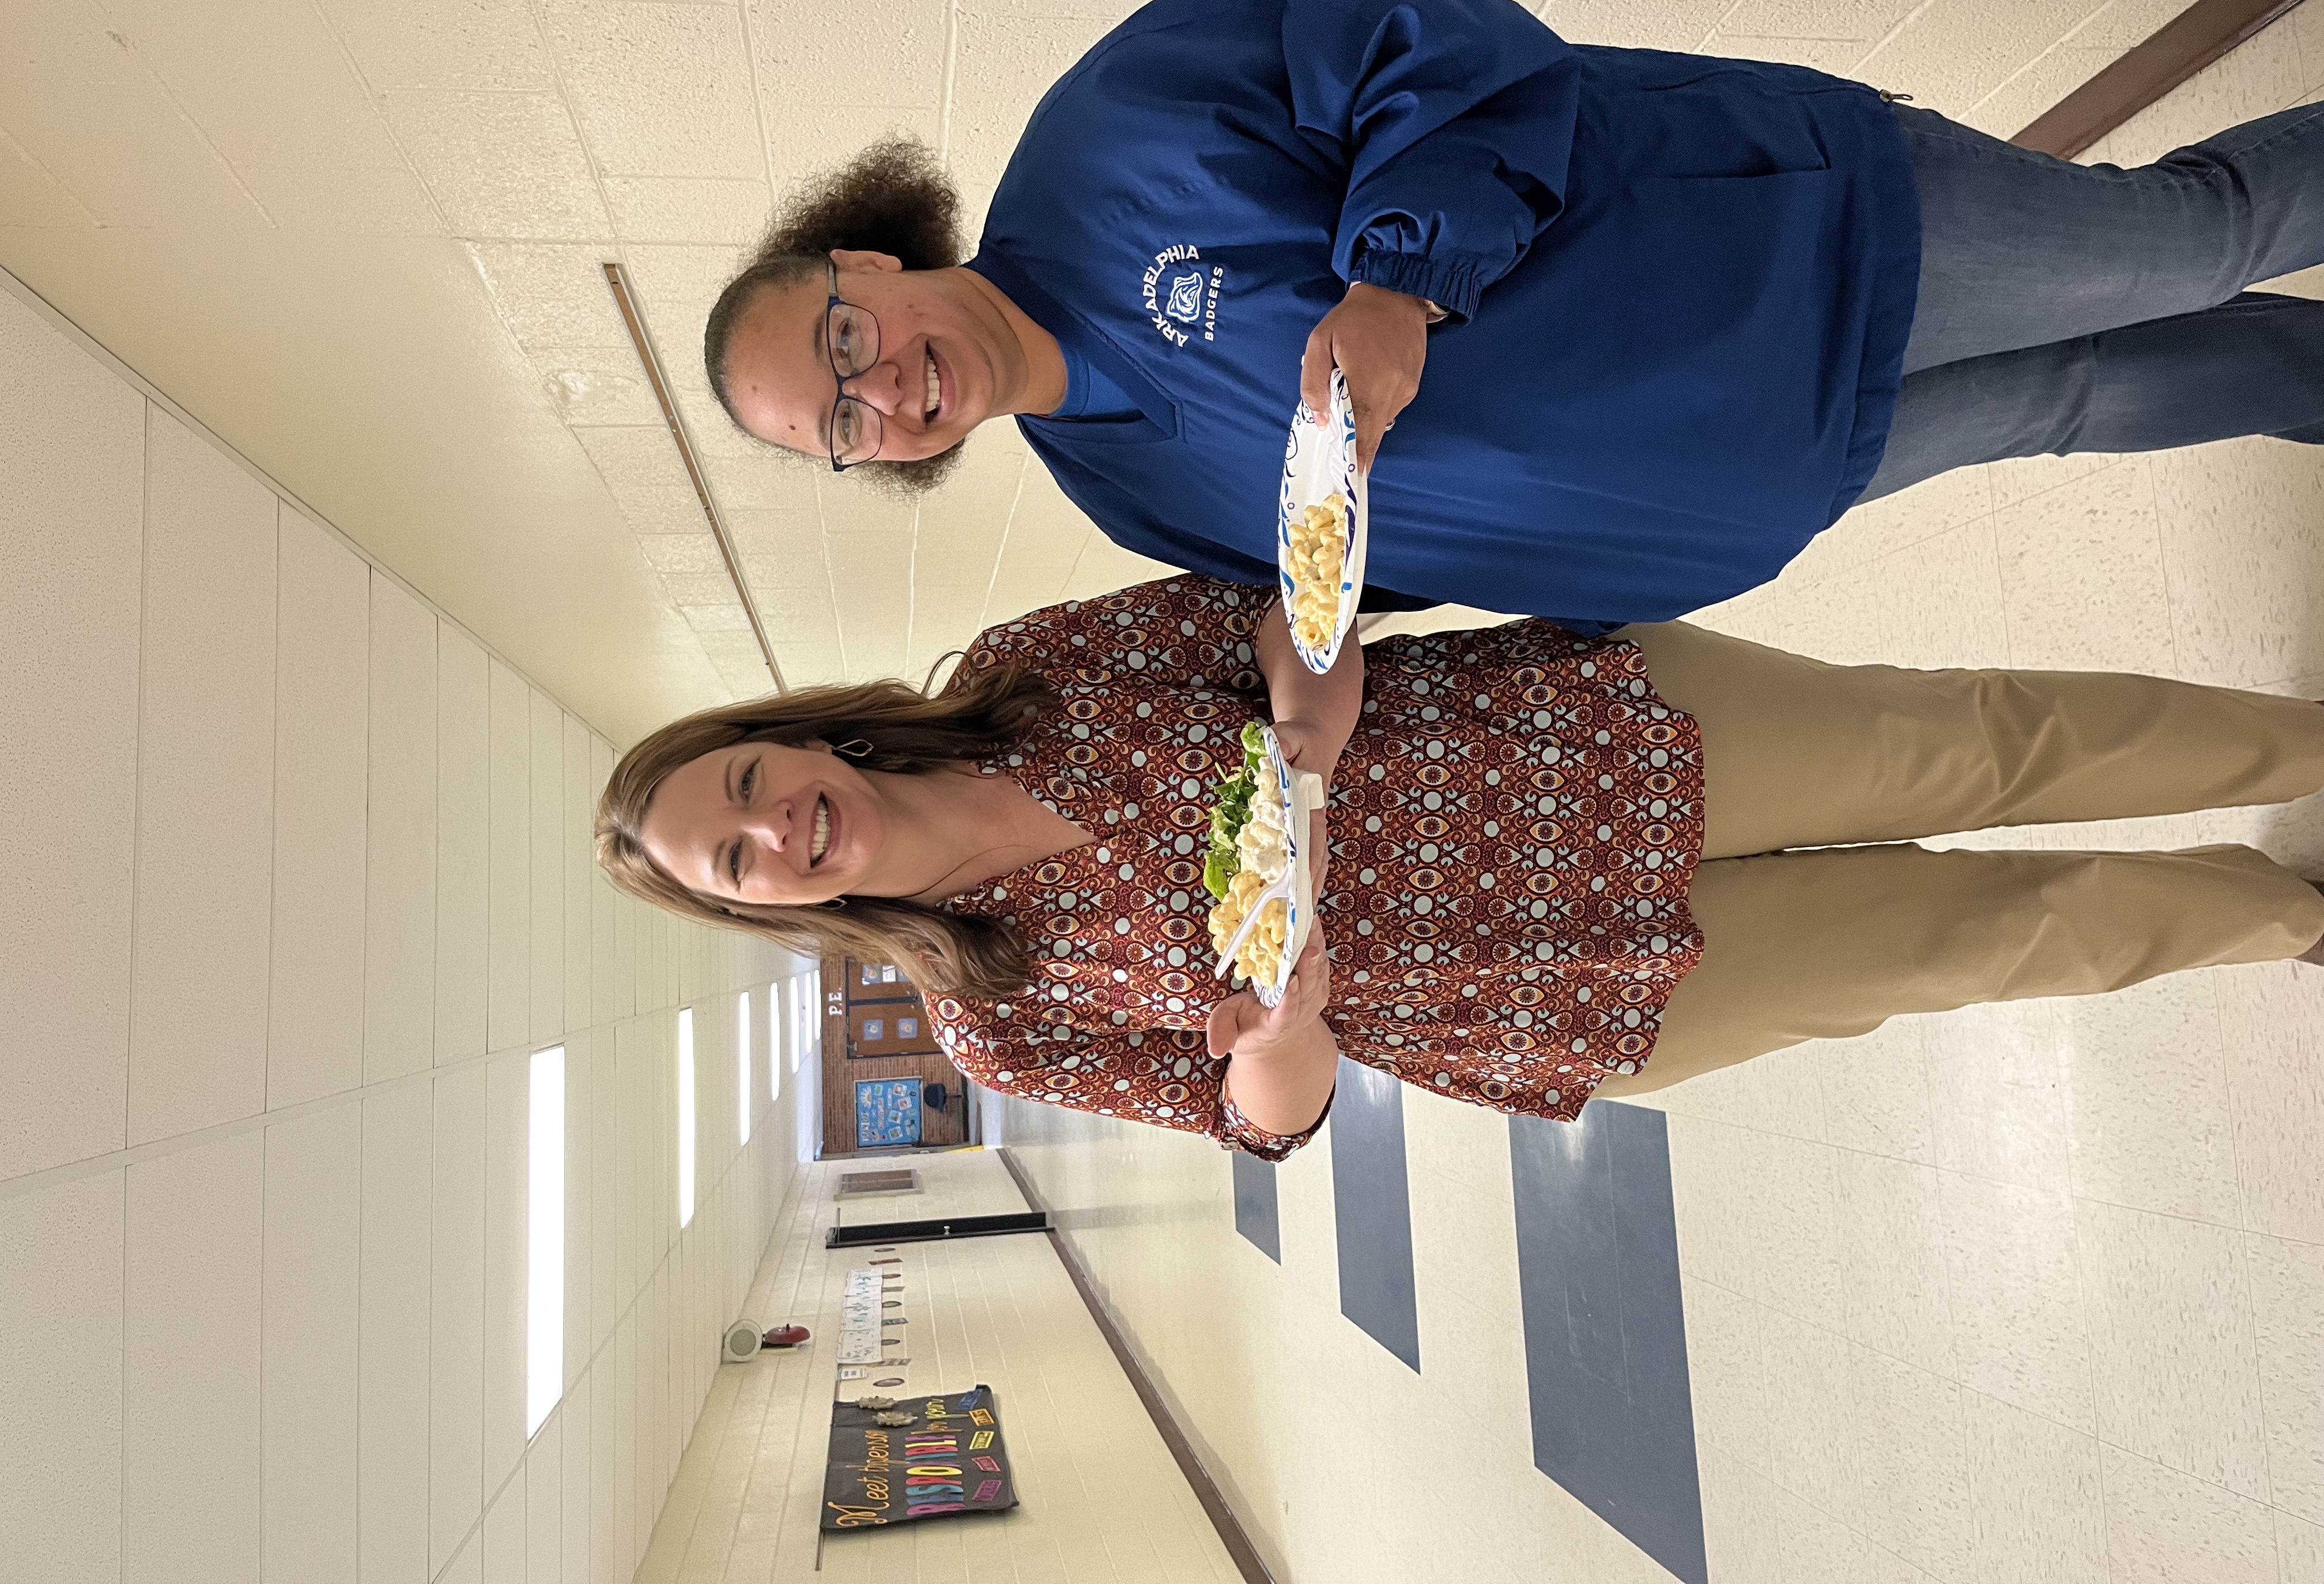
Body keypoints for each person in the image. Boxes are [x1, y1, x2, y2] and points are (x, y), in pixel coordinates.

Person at [702, 0, 2324, 635]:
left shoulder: (1116, 132)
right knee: (2077, 399)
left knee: (2191, 235)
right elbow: (1372, 578)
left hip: (1789, 246)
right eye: (842, 423)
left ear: (865, 259)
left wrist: (1394, 286)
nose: (888, 388)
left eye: (845, 340)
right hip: (1756, 472)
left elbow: (1435, 47)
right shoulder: (1116, 489)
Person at [595, 576, 2324, 1157]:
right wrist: (1279, 1022)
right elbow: (1259, 1124)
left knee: (1981, 739)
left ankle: (2303, 750)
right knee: (1984, 942)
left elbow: (1263, 609)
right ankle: (2293, 923)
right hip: (1560, 992)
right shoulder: (996, 1020)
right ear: (770, 909)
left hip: (1576, 739)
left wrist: (1304, 716)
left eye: (746, 785)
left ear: (793, 736)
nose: (771, 829)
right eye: (734, 866)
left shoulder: (1019, 671)